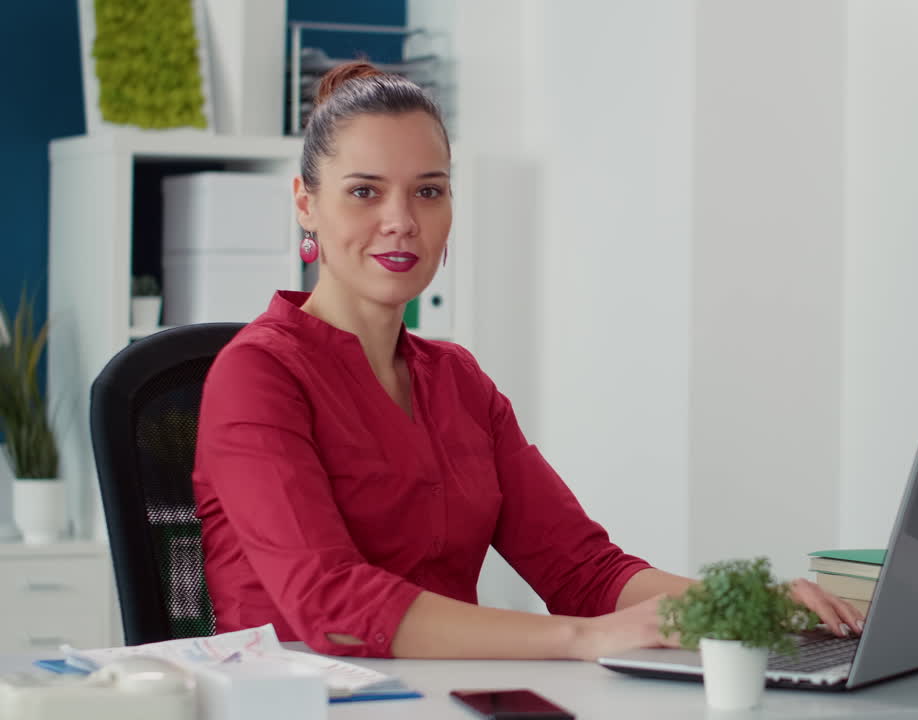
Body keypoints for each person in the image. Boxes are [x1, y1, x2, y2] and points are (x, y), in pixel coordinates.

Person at [192, 62, 863, 660]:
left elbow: (584, 573)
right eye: (365, 191)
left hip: (437, 701)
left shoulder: (457, 381)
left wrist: (750, 606)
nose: (401, 220)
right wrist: (591, 639)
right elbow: (333, 607)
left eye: (428, 191)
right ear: (306, 204)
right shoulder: (257, 375)